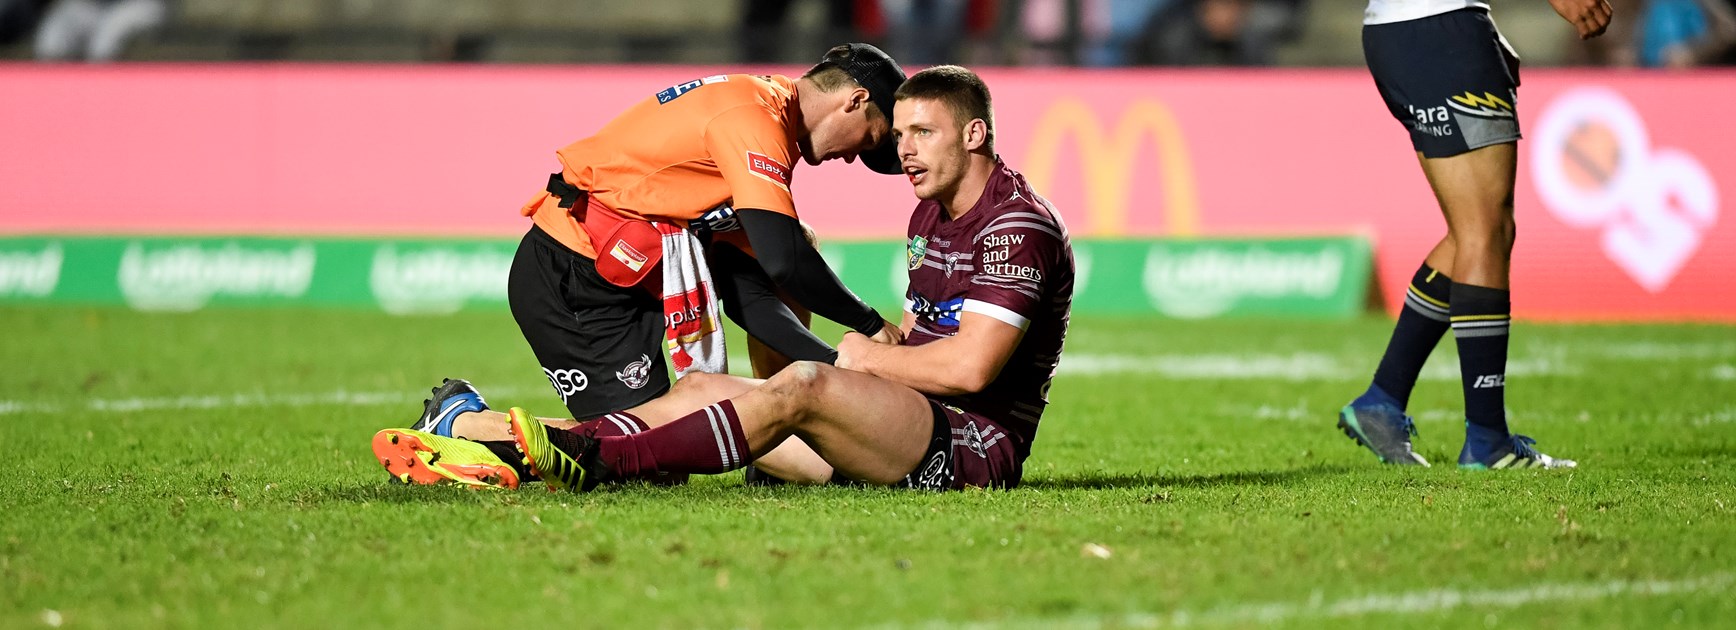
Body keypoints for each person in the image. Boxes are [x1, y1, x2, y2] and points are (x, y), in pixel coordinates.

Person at [502, 64, 1076, 492]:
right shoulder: (929, 214)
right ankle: (490, 439)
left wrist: (857, 359)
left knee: (806, 382)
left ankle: (603, 459)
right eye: (898, 134)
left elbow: (968, 368)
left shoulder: (1016, 226)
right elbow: (903, 329)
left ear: (973, 135)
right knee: (701, 388)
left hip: (969, 443)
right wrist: (868, 347)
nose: (904, 152)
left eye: (922, 133)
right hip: (902, 419)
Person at [370, 44, 910, 488]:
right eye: (871, 141)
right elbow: (785, 261)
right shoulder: (753, 120)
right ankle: (463, 420)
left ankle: (775, 446)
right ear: (856, 102)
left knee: (662, 441)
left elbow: (755, 297)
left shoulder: (764, 113)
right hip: (573, 281)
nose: (852, 158)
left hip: (621, 276)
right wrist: (867, 335)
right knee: (644, 453)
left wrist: (832, 373)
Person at [1339, 0, 1611, 469]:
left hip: (1403, 30)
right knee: (1486, 230)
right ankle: (1487, 440)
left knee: (1475, 231)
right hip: (1439, 27)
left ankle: (1382, 402)